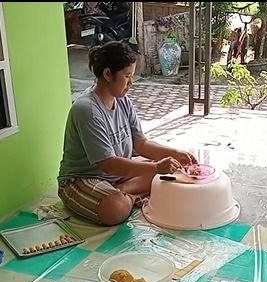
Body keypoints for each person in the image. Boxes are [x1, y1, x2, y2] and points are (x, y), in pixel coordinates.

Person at [57, 41, 196, 226]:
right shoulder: (87, 109)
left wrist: (174, 154)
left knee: (169, 172)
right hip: (81, 180)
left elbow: (141, 144)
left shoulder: (122, 100)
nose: (131, 83)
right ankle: (125, 197)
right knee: (115, 209)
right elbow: (108, 164)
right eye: (127, 76)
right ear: (107, 74)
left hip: (116, 177)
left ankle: (123, 192)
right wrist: (156, 167)